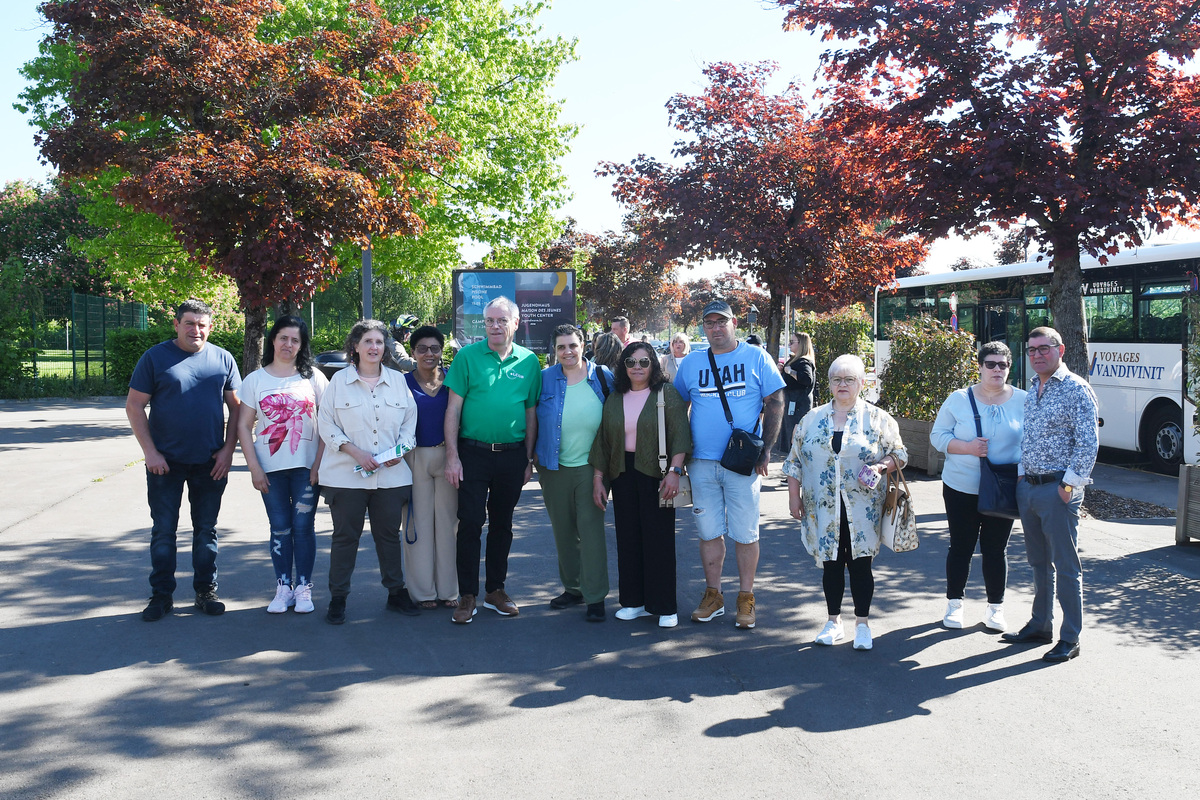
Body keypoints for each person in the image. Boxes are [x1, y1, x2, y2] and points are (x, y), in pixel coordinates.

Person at [126, 298, 241, 622]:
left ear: (211, 327)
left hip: (210, 463)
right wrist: (150, 452)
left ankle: (206, 591)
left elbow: (238, 409)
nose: (196, 330)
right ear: (176, 324)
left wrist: (227, 451)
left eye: (202, 325)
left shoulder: (223, 359)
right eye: (189, 323)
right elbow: (134, 406)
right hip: (165, 463)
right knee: (164, 531)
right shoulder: (155, 357)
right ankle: (161, 596)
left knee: (206, 531)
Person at [674, 299, 785, 630]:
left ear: (734, 323)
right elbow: (678, 408)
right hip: (701, 462)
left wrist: (766, 449)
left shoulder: (756, 357)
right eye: (709, 323)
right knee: (708, 531)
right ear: (703, 328)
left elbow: (776, 401)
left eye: (721, 321)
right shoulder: (692, 363)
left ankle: (746, 597)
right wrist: (678, 457)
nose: (716, 328)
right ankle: (714, 595)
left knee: (745, 533)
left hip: (742, 463)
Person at [784, 354, 907, 651]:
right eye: (837, 379)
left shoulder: (877, 419)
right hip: (822, 507)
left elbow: (900, 454)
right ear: (828, 384)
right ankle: (833, 621)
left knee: (861, 565)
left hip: (863, 508)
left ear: (862, 383)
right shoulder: (811, 420)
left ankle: (862, 624)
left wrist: (881, 466)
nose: (842, 384)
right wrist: (793, 497)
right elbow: (794, 462)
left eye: (849, 379)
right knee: (832, 565)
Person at [1002, 326, 1098, 663]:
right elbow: (1028, 438)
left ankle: (1070, 637)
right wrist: (1020, 477)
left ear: (1061, 349)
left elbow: (1088, 443)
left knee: (1066, 566)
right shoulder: (1034, 388)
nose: (1038, 354)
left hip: (1058, 491)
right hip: (1028, 488)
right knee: (1038, 562)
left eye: (1045, 348)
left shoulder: (1076, 389)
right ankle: (1040, 625)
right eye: (1032, 350)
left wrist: (1068, 486)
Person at [444, 296, 542, 623]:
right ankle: (467, 595)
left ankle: (495, 590)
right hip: (472, 454)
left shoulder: (529, 361)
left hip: (512, 456)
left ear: (515, 323)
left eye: (501, 320)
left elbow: (530, 413)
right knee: (471, 522)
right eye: (489, 321)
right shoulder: (467, 357)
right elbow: (453, 409)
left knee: (503, 524)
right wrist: (452, 457)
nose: (495, 326)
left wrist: (528, 459)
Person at [317, 319, 419, 624]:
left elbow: (409, 424)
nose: (374, 347)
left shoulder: (398, 381)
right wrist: (355, 452)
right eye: (368, 342)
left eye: (379, 342)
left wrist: (399, 451)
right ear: (355, 347)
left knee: (388, 536)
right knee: (345, 537)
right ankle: (338, 598)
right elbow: (325, 423)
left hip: (390, 477)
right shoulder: (339, 382)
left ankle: (396, 592)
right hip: (345, 476)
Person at [591, 342, 692, 627]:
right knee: (628, 539)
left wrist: (674, 471)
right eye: (631, 362)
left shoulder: (666, 393)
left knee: (659, 540)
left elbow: (680, 435)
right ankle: (634, 602)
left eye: (644, 362)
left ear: (653, 365)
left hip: (657, 473)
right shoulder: (615, 397)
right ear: (623, 365)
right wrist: (598, 478)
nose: (637, 367)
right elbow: (603, 441)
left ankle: (664, 606)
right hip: (622, 473)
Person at [930, 341, 1026, 632]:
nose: (997, 370)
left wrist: (1023, 474)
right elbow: (938, 435)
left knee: (996, 549)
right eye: (991, 364)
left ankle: (995, 608)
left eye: (1003, 365)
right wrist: (967, 447)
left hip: (1003, 488)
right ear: (980, 366)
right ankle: (954, 604)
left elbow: (1031, 442)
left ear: (1009, 368)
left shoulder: (1024, 400)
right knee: (961, 546)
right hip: (961, 486)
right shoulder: (958, 399)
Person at [236, 316, 328, 615]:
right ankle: (283, 587)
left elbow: (328, 425)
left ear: (302, 345)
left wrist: (318, 465)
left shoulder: (314, 378)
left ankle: (303, 587)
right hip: (269, 470)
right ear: (273, 340)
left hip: (306, 469)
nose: (288, 344)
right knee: (280, 528)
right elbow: (243, 426)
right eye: (283, 338)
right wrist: (254, 468)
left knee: (303, 527)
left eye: (295, 340)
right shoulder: (255, 380)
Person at [535, 324, 615, 621]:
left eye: (572, 345)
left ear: (583, 346)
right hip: (553, 466)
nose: (567, 352)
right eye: (561, 347)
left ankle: (595, 596)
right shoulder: (544, 379)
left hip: (592, 468)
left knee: (591, 532)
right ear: (554, 350)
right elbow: (530, 417)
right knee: (564, 532)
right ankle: (573, 588)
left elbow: (619, 417)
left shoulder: (603, 377)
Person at [403, 325, 460, 609]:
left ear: (441, 351)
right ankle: (423, 592)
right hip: (414, 458)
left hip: (449, 456)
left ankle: (449, 591)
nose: (429, 354)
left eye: (435, 348)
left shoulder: (454, 381)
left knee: (449, 525)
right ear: (413, 352)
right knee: (418, 524)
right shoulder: (401, 383)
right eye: (422, 348)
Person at [778, 332, 816, 455]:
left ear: (801, 344)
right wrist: (782, 371)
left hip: (798, 406)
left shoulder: (804, 362)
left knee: (796, 437)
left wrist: (790, 372)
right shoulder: (796, 360)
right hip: (791, 404)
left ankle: (796, 461)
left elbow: (807, 379)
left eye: (792, 342)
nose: (789, 344)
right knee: (791, 437)